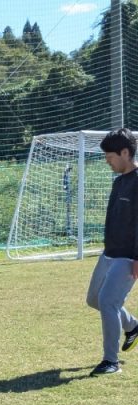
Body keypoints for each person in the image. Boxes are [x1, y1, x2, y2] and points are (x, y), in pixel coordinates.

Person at [87, 128, 138, 376]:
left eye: (110, 157)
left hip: (128, 256)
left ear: (125, 152)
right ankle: (133, 325)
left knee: (108, 302)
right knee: (94, 300)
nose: (108, 162)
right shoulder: (119, 181)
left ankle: (111, 362)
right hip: (109, 253)